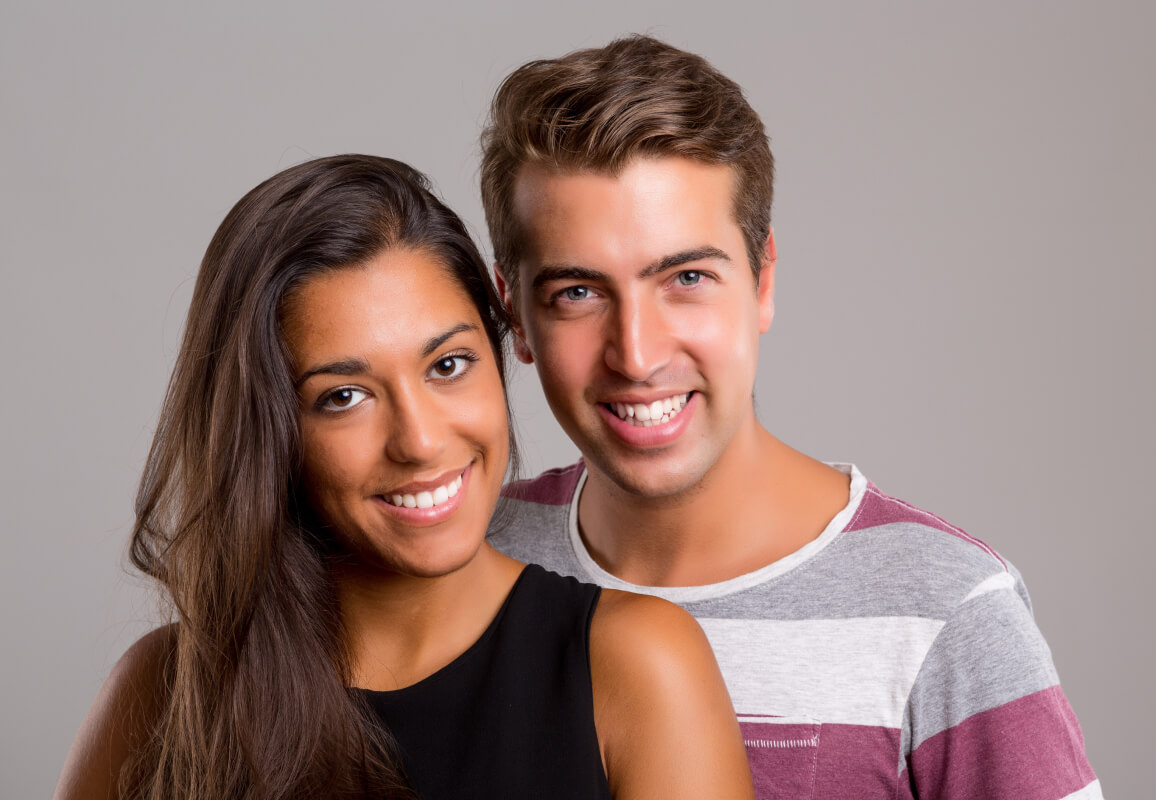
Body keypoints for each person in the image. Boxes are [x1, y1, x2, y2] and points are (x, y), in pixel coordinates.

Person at [481, 35, 1103, 799]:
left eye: (686, 277)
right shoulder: (470, 561)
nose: (636, 354)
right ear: (515, 316)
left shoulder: (944, 611)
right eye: (577, 292)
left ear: (763, 280)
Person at [53, 155, 754, 800]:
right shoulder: (161, 691)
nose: (419, 442)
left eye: (448, 365)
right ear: (269, 433)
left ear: (500, 347)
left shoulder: (637, 666)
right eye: (343, 397)